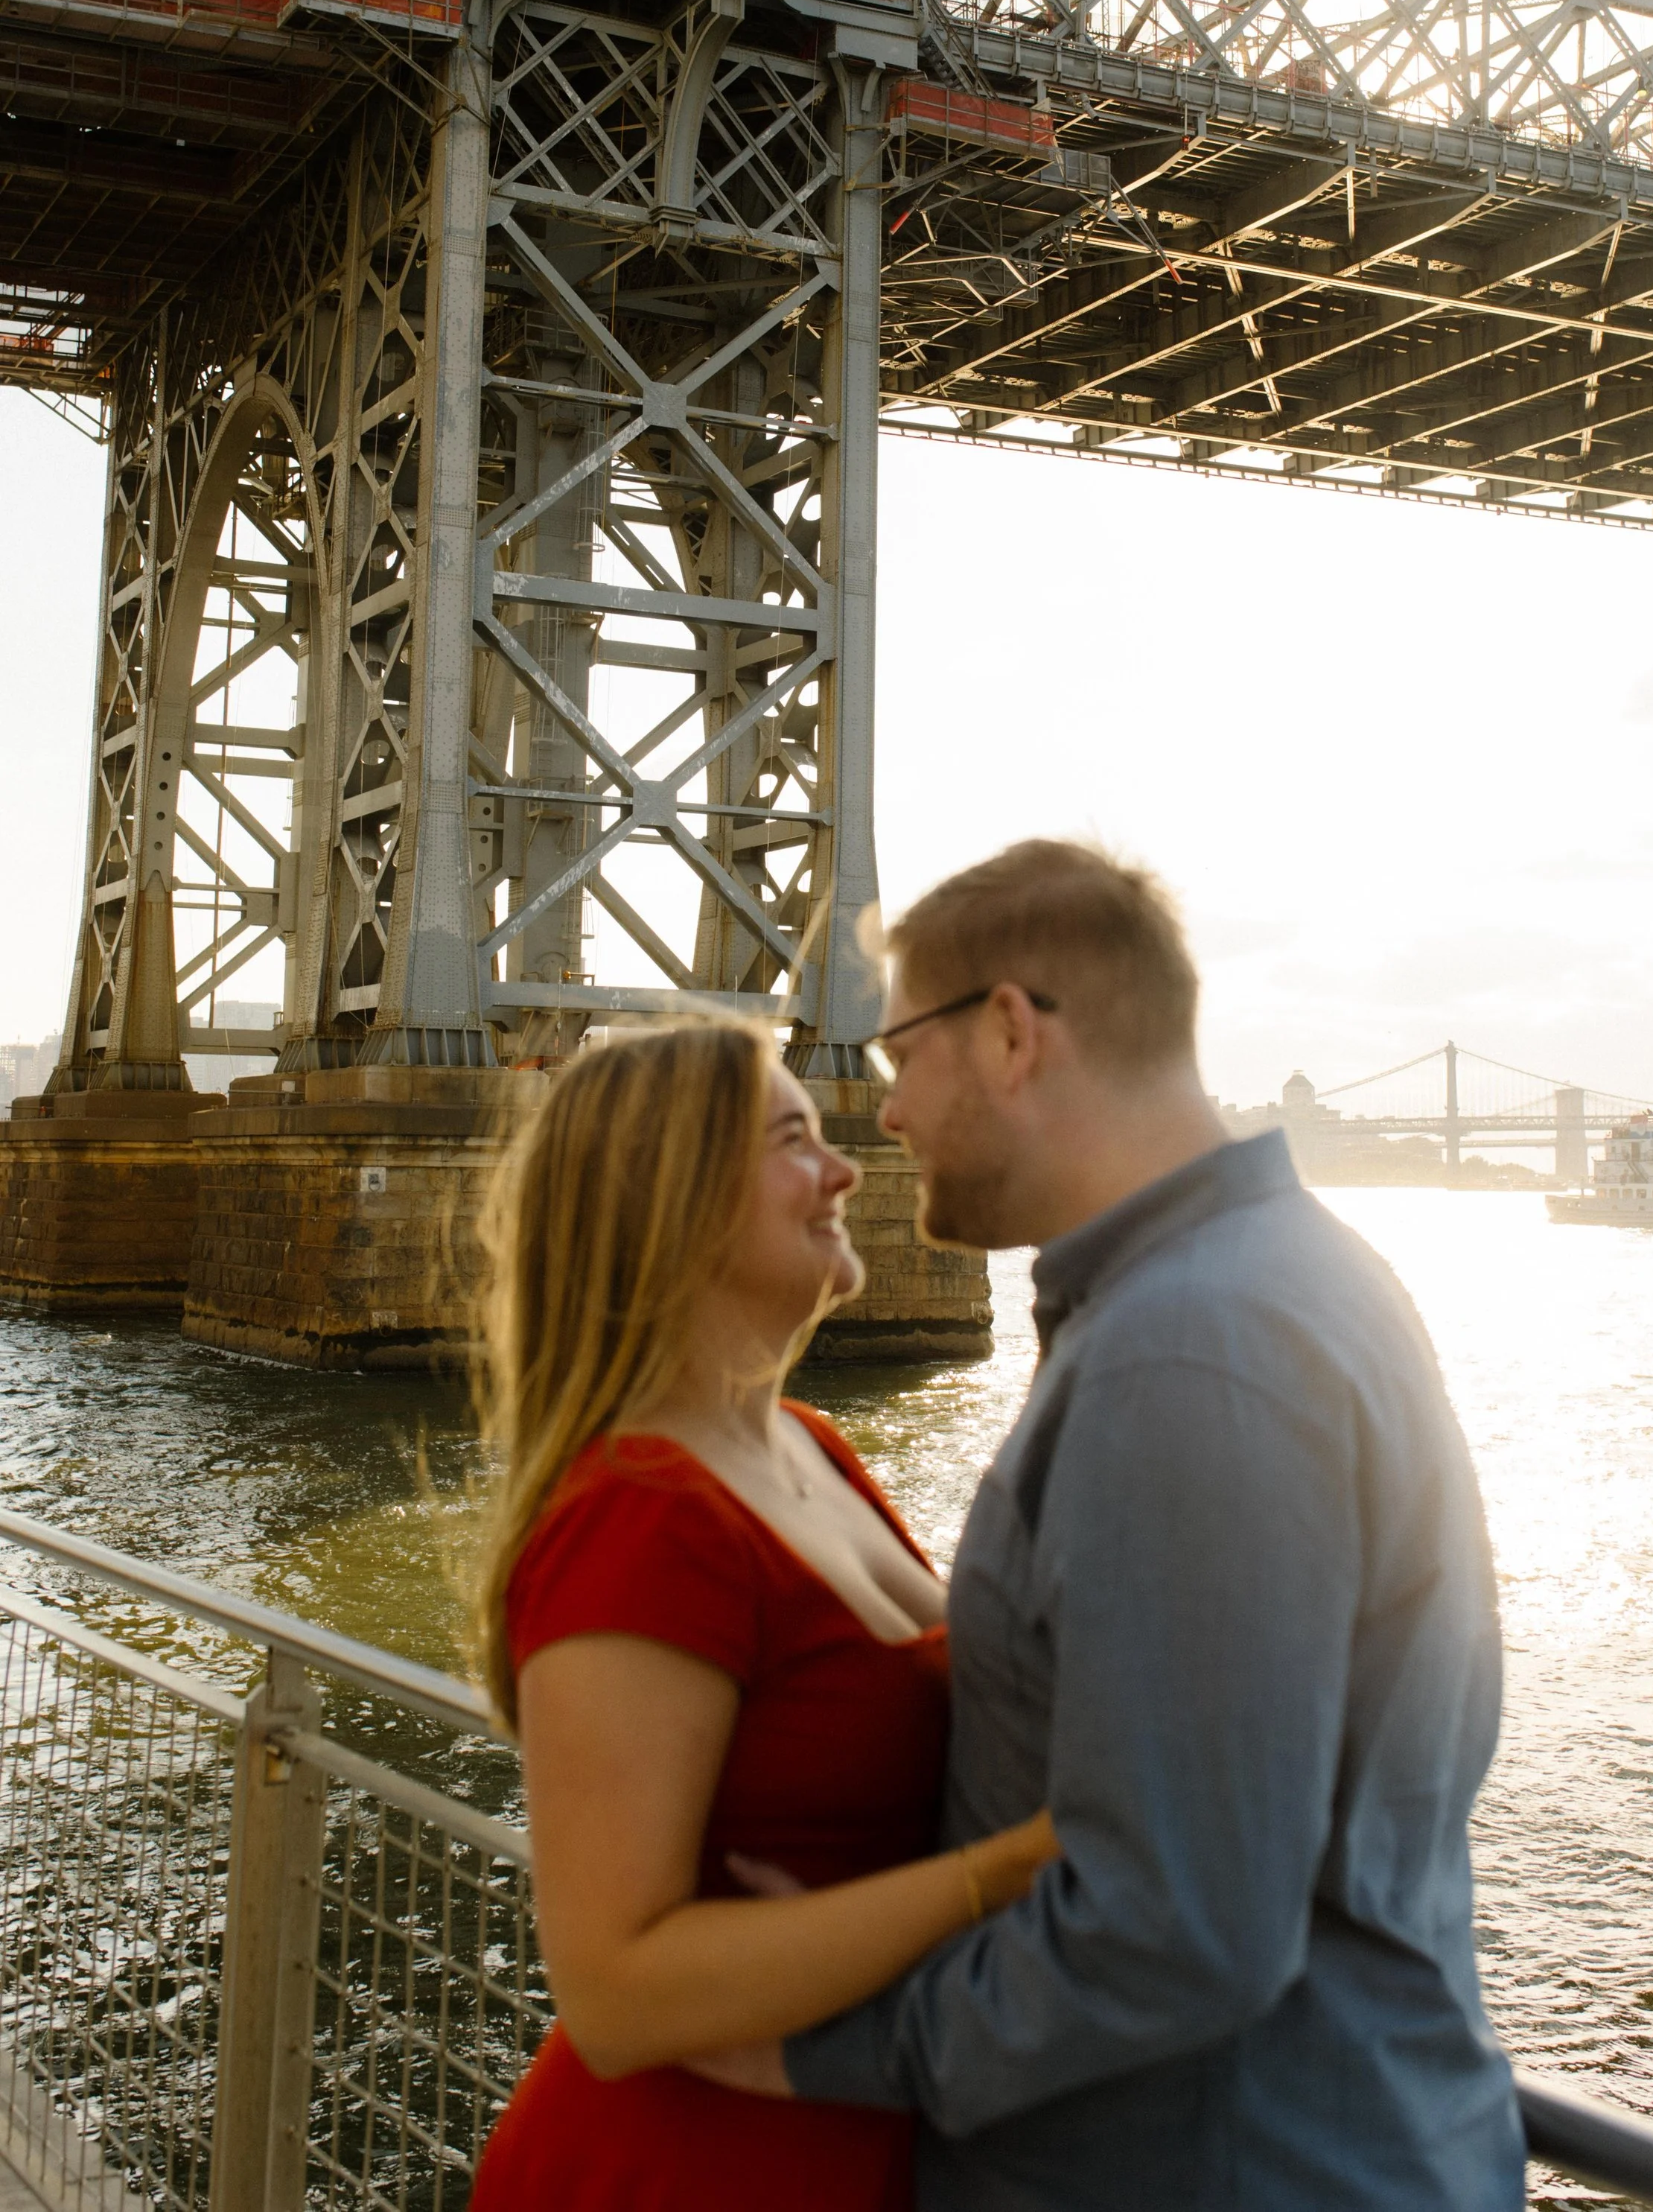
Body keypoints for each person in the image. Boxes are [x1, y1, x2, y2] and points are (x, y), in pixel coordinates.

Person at [710, 839, 1526, 2212]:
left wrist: (820, 2040)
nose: (885, 1112)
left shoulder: (1186, 1355)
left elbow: (1182, 1928)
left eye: (900, 1050)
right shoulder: (1295, 1280)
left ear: (1013, 1032)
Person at [467, 1017, 1059, 2212]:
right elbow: (617, 1991)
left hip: (847, 2135)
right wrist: (1023, 1864)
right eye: (797, 1139)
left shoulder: (809, 1446)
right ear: (668, 1197)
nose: (847, 1170)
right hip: (681, 2169)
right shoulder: (638, 1516)